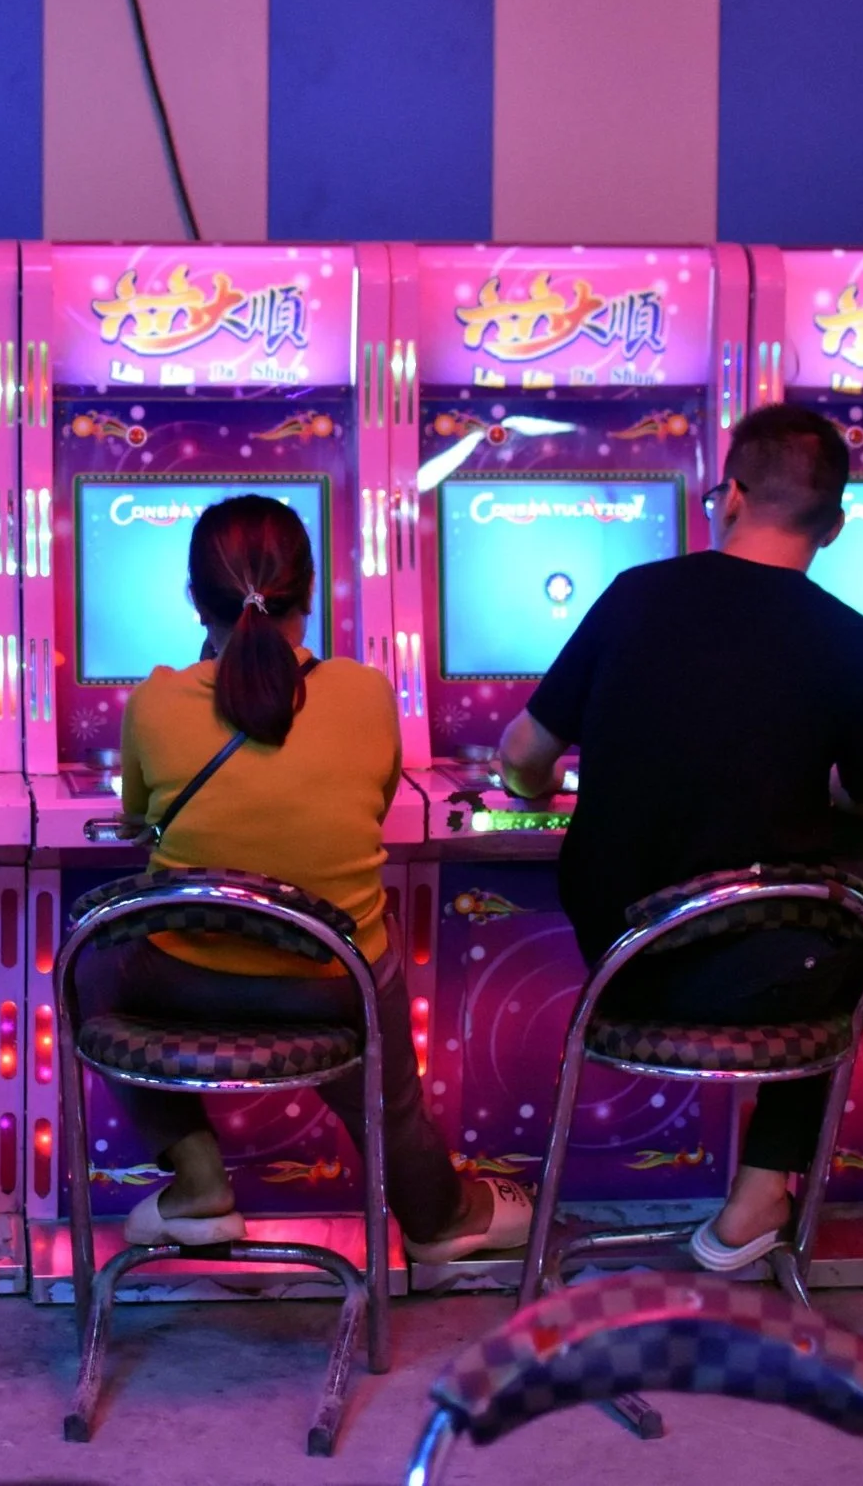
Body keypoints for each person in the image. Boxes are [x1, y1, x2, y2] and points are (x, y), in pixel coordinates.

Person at [497, 402, 863, 1272]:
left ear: (725, 496)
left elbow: (523, 755)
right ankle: (763, 1183)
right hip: (768, 969)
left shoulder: (636, 594)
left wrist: (529, 789)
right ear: (834, 527)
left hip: (624, 955)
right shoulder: (855, 642)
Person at [90, 494, 531, 1261]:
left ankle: (197, 1177)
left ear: (196, 600)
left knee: (88, 964)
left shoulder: (155, 700)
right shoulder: (366, 692)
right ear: (312, 588)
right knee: (376, 1002)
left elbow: (135, 822)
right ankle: (437, 1216)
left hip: (179, 982)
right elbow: (372, 803)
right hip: (333, 983)